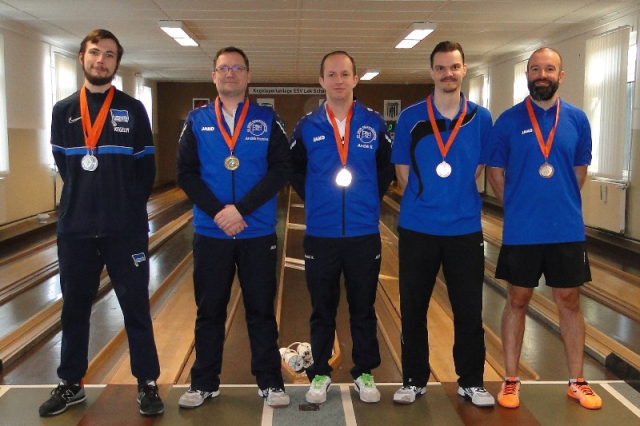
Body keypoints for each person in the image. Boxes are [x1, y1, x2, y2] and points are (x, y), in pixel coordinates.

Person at [39, 29, 163, 417]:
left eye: (109, 54)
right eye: (95, 52)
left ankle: (147, 382)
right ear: (82, 57)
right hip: (75, 229)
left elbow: (146, 169)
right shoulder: (63, 110)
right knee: (74, 309)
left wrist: (125, 208)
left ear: (116, 63)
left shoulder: (132, 109)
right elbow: (66, 166)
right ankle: (71, 383)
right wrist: (84, 203)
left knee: (135, 308)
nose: (101, 60)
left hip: (124, 229)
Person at [487, 47, 602, 410]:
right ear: (527, 75)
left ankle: (577, 381)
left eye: (549, 69)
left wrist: (558, 202)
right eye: (535, 69)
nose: (542, 74)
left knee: (569, 301)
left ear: (560, 75)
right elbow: (494, 171)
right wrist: (516, 206)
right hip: (522, 230)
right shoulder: (508, 120)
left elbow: (579, 169)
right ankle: (510, 379)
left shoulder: (577, 119)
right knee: (517, 299)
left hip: (566, 229)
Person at [176, 46, 291, 409]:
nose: (230, 73)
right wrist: (219, 213)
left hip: (256, 231)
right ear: (214, 76)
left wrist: (240, 209)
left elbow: (281, 170)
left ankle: (270, 382)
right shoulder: (196, 120)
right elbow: (185, 173)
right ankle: (204, 383)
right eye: (223, 68)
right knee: (209, 311)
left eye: (237, 68)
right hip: (212, 232)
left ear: (248, 76)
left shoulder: (267, 119)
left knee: (261, 310)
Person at [390, 41, 495, 407]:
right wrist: (429, 200)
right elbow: (402, 171)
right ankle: (413, 379)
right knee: (413, 309)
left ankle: (471, 381)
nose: (448, 73)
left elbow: (478, 167)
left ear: (463, 69)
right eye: (440, 67)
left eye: (454, 67)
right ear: (431, 72)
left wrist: (453, 198)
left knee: (469, 310)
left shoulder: (481, 118)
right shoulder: (411, 117)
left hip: (464, 229)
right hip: (418, 227)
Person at [289, 51, 393, 404]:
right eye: (331, 74)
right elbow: (294, 169)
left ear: (355, 79)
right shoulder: (307, 126)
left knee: (363, 307)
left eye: (344, 74)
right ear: (321, 81)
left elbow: (386, 168)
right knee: (322, 309)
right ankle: (320, 372)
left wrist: (368, 198)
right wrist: (315, 199)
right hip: (321, 233)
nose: (338, 80)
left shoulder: (374, 123)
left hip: (363, 233)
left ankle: (364, 372)